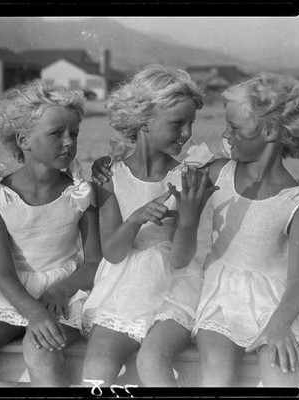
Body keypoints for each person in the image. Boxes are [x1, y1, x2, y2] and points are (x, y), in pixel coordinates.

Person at [0, 80, 102, 387]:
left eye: (74, 133)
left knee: (41, 349)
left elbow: (94, 262)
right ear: (23, 139)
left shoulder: (80, 192)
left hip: (64, 293)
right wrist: (33, 313)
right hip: (8, 291)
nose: (69, 142)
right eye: (57, 133)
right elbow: (3, 274)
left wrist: (60, 290)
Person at [188, 73, 299, 387]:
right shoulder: (218, 172)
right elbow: (165, 185)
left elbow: (298, 282)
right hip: (220, 296)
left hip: (274, 300)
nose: (225, 134)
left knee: (280, 366)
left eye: (235, 127)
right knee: (216, 365)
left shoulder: (297, 200)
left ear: (269, 130)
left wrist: (280, 326)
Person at [81, 64, 218, 387]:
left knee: (153, 359)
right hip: (121, 286)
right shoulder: (110, 175)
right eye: (177, 124)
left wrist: (189, 216)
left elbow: (181, 258)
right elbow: (112, 253)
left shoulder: (187, 176)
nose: (186, 134)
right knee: (98, 362)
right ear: (143, 121)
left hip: (174, 287)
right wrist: (136, 217)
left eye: (191, 124)